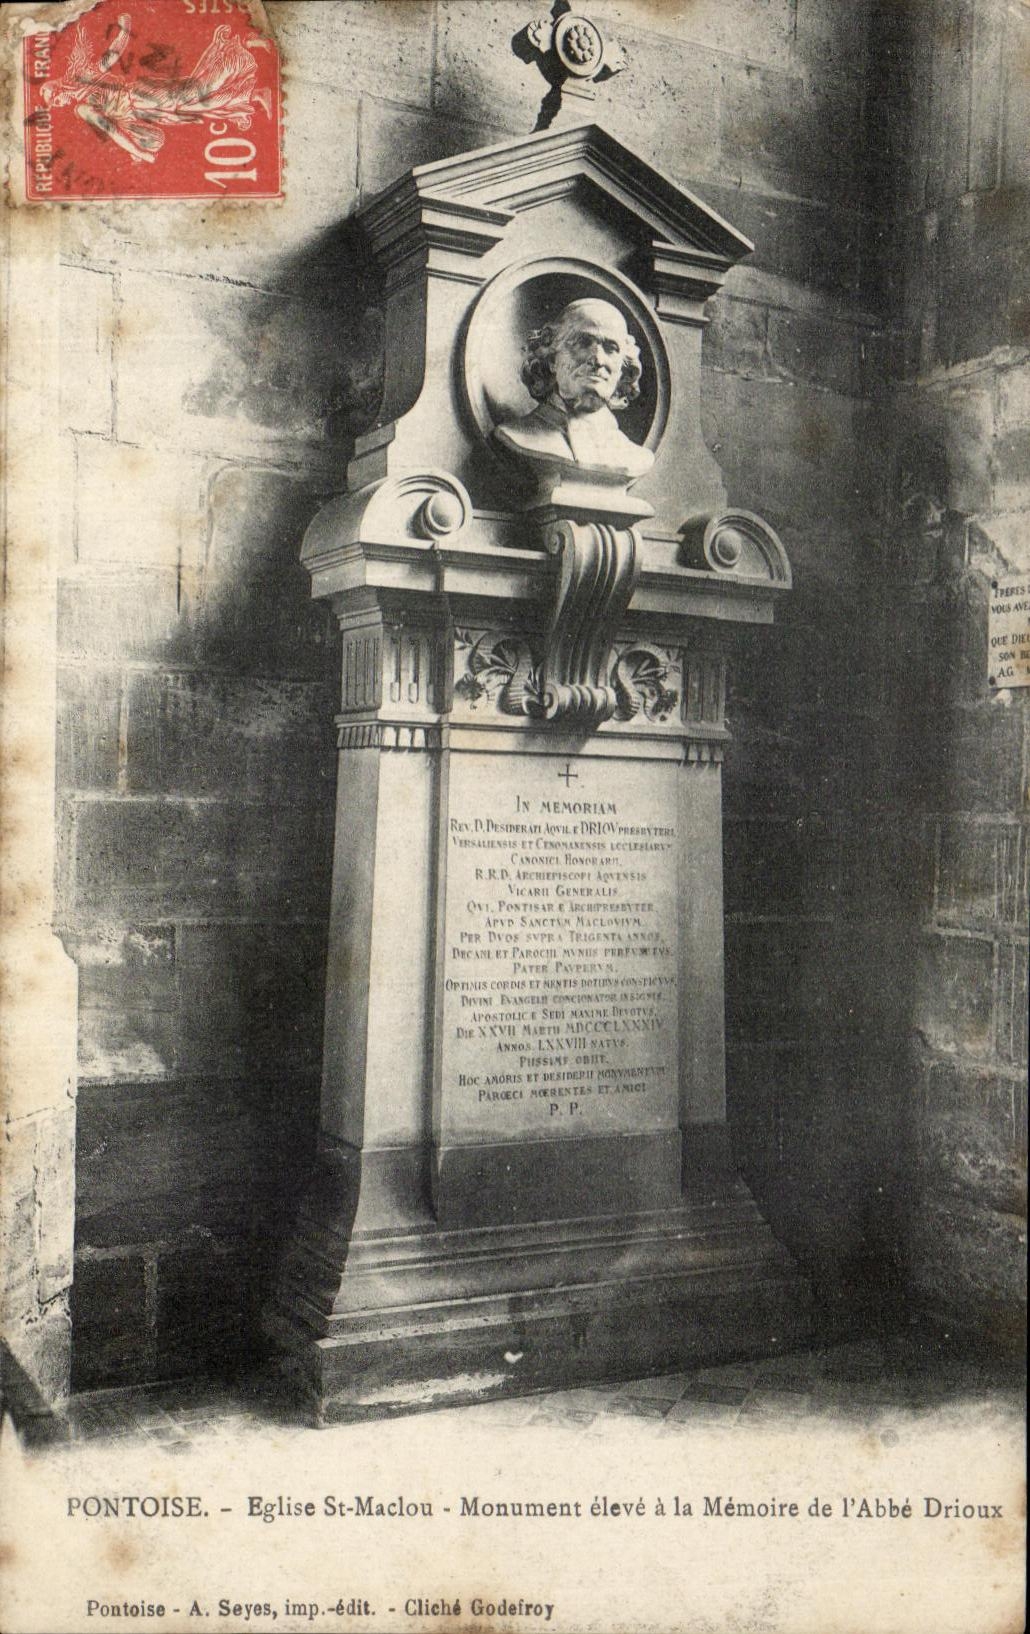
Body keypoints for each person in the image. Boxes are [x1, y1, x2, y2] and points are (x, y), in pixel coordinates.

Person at [494, 298, 654, 481]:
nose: (598, 360)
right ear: (552, 359)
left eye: (611, 348)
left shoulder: (633, 455)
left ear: (623, 369)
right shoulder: (518, 435)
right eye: (583, 343)